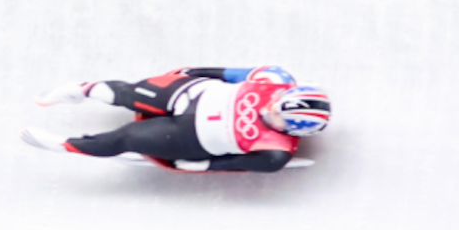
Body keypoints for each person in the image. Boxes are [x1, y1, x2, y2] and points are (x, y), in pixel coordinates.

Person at [21, 66, 331, 173]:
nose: (270, 107)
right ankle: (82, 90)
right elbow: (224, 73)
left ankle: (66, 145)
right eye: (278, 101)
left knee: (126, 138)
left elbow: (235, 164)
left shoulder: (275, 153)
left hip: (189, 135)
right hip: (192, 92)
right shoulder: (274, 77)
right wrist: (192, 73)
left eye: (277, 114)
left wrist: (203, 165)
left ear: (290, 129)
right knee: (128, 93)